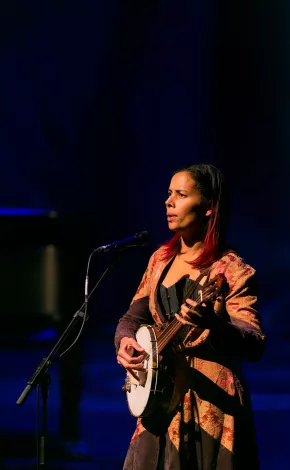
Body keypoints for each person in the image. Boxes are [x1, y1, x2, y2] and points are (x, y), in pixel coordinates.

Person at [115, 163, 266, 470]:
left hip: (212, 405)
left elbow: (254, 342)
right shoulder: (160, 259)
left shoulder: (232, 270)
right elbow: (131, 319)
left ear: (209, 207)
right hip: (159, 402)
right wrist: (126, 342)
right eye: (169, 194)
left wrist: (213, 324)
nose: (169, 202)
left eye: (181, 195)